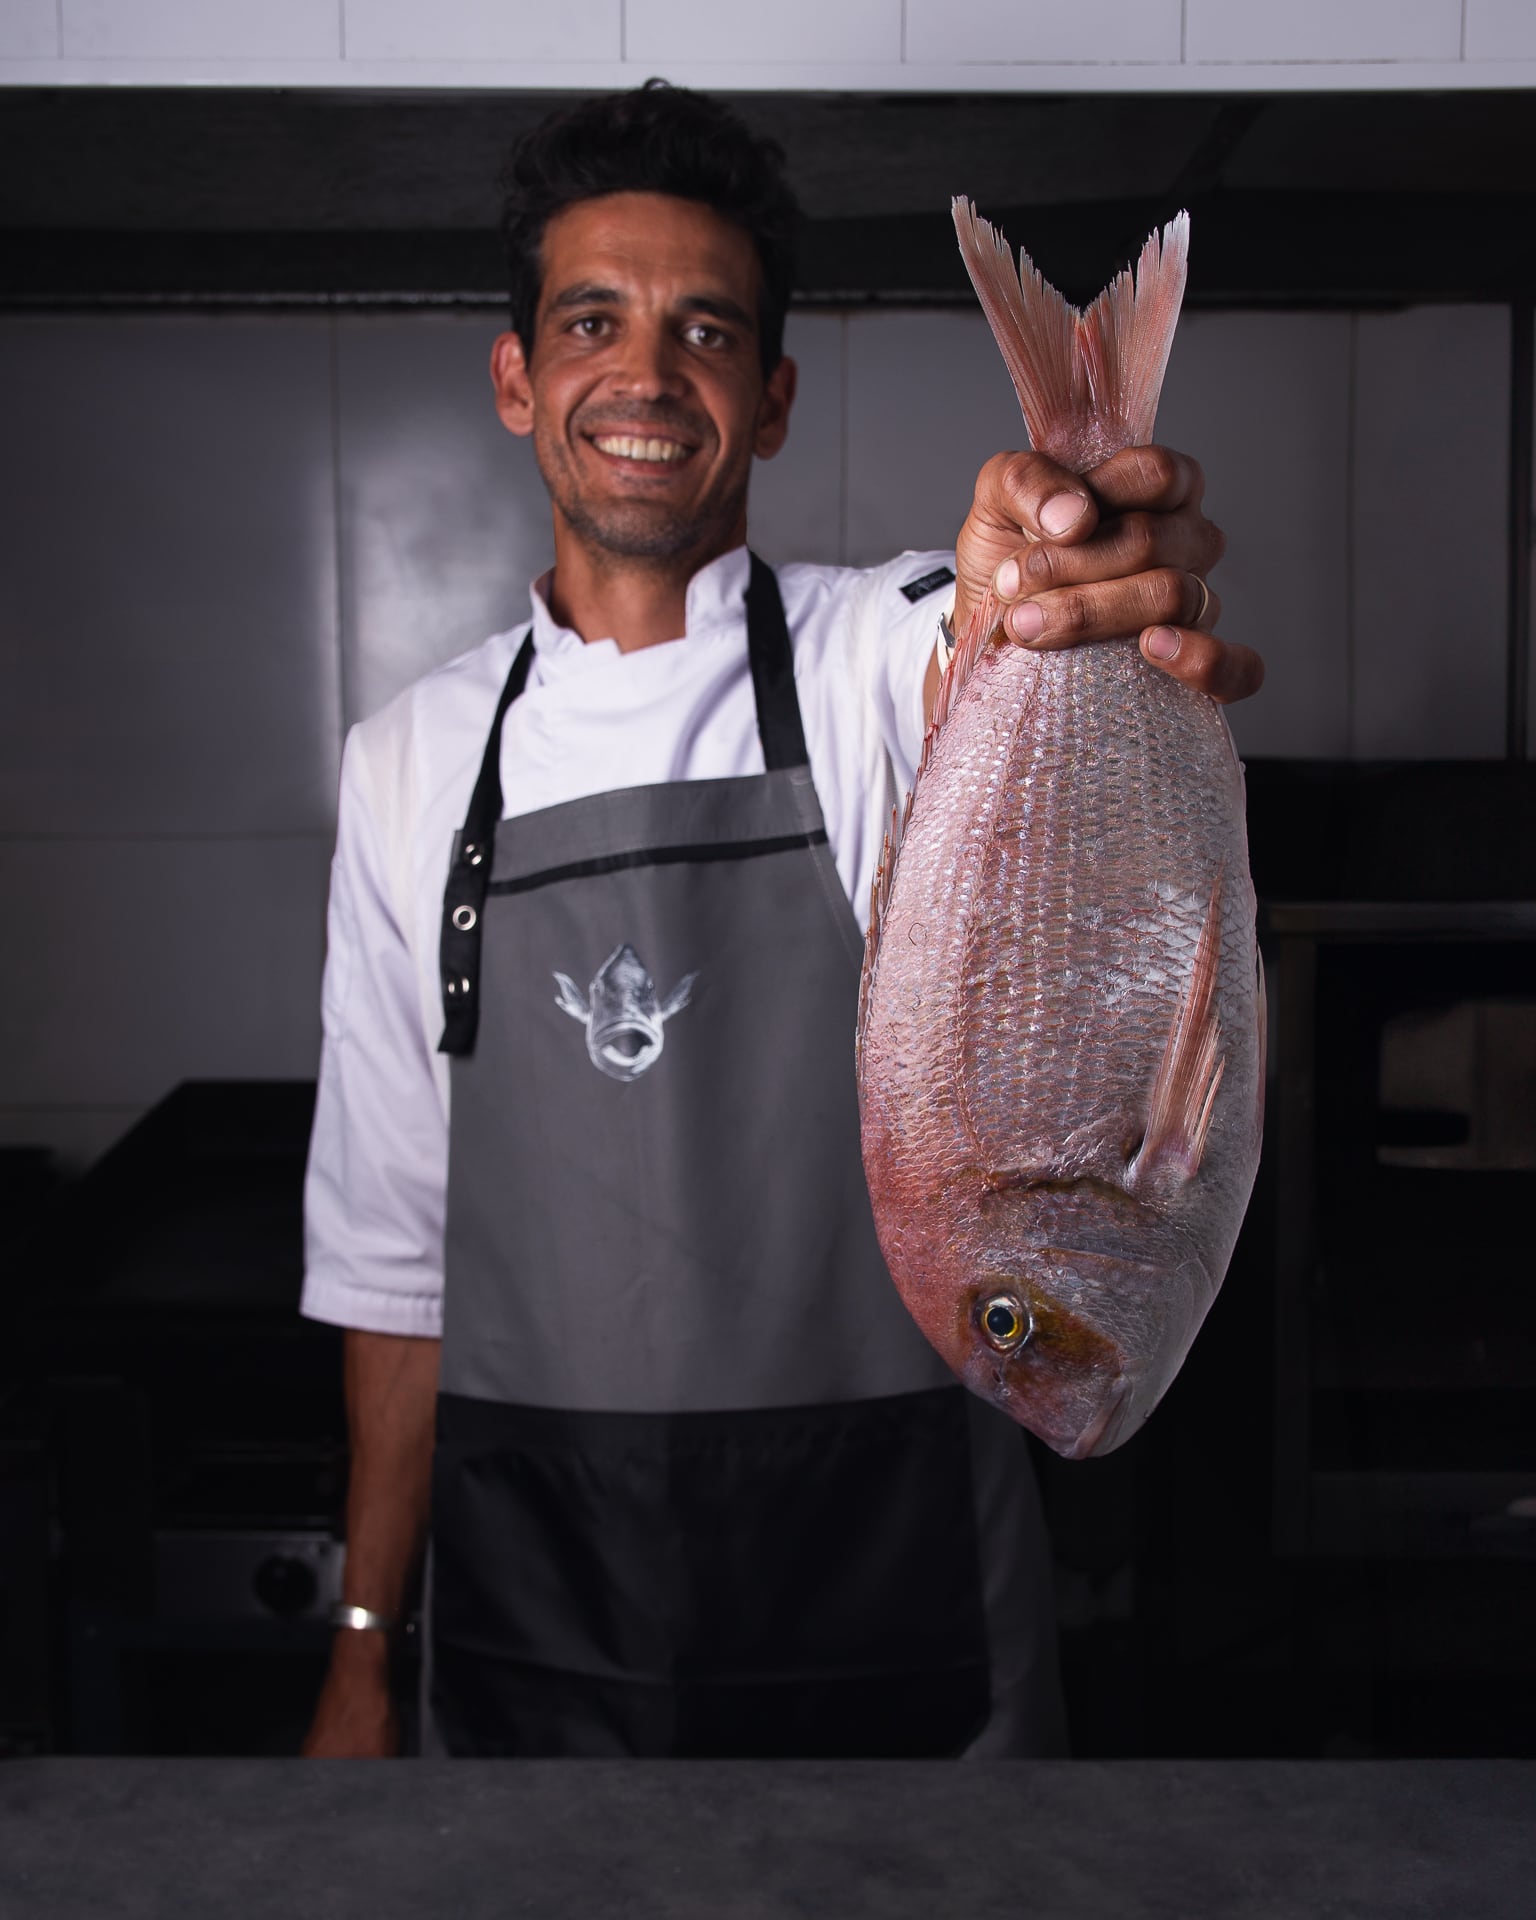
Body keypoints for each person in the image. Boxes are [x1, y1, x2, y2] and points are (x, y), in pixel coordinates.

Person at [300, 80, 1259, 1761]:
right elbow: (396, 1267)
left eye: (709, 330)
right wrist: (364, 1653)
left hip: (899, 1597)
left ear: (775, 395)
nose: (648, 374)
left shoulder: (876, 660)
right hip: (543, 1614)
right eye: (593, 321)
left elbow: (989, 609)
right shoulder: (408, 766)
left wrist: (1077, 554)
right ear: (520, 377)